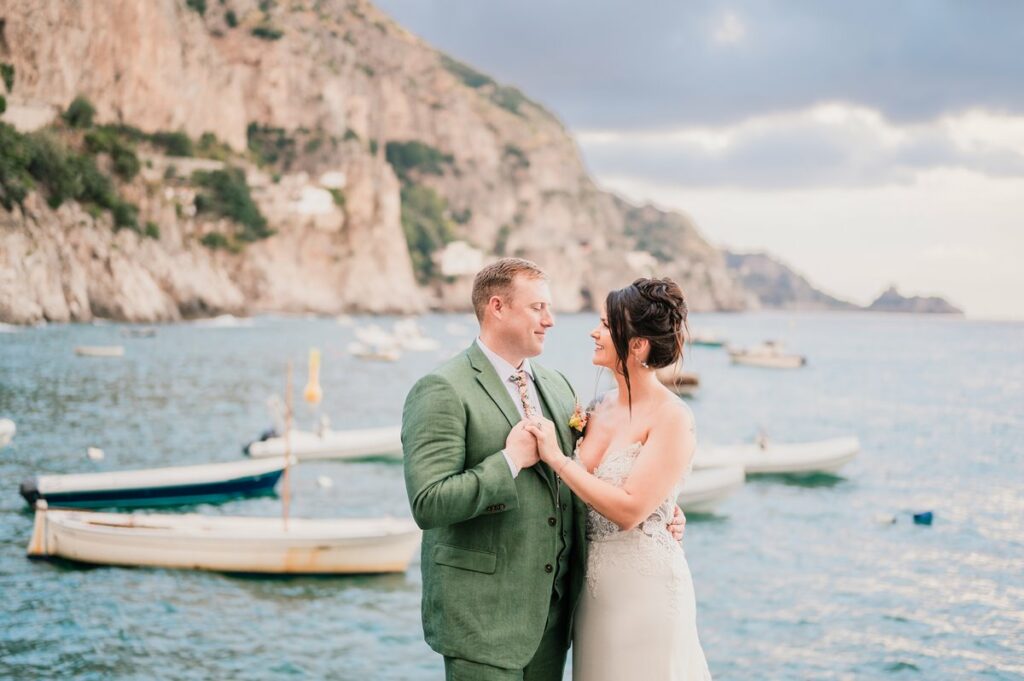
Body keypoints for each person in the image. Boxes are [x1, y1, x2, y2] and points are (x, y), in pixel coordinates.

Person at [402, 259, 684, 681]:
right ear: (497, 307)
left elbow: (580, 479)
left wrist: (660, 511)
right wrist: (509, 461)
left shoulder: (558, 386)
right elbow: (429, 504)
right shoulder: (442, 389)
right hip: (483, 620)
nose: (550, 321)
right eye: (538, 308)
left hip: (555, 623)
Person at [525, 277, 712, 680]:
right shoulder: (598, 406)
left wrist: (558, 458)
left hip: (645, 592)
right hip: (591, 596)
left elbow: (628, 510)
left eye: (607, 326)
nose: (595, 332)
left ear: (638, 345)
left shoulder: (672, 417)